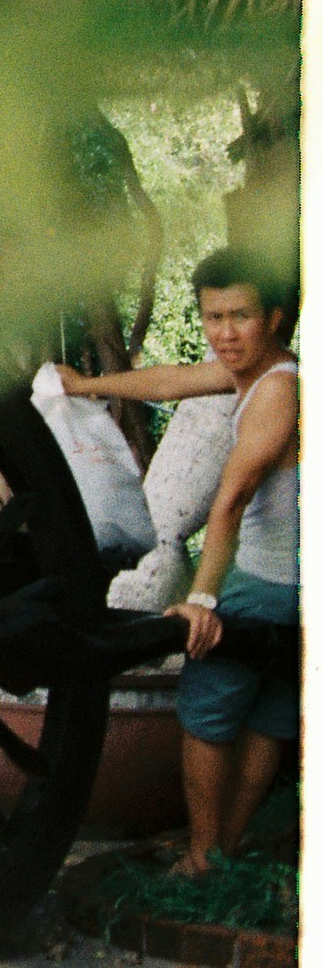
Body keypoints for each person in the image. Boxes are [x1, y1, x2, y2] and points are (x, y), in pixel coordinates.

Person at [54, 248, 299, 876]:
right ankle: (224, 853)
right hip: (297, 583)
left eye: (240, 316)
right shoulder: (263, 373)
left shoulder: (277, 392)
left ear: (274, 318)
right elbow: (169, 380)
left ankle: (201, 857)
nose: (225, 333)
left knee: (207, 712)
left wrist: (203, 600)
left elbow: (230, 502)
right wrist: (84, 386)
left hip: (266, 583)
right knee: (268, 716)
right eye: (213, 317)